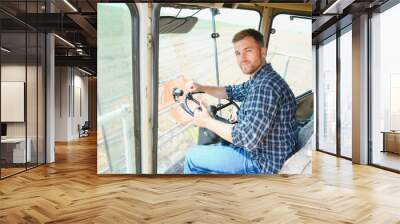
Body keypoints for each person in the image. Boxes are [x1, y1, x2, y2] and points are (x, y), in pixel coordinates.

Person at [183, 29, 297, 174]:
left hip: (262, 162)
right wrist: (201, 87)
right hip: (263, 151)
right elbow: (232, 91)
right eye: (237, 53)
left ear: (263, 51)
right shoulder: (261, 78)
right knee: (220, 143)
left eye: (248, 50)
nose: (242, 58)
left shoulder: (266, 86)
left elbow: (246, 138)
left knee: (192, 157)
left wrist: (206, 122)